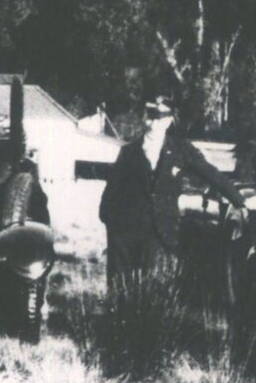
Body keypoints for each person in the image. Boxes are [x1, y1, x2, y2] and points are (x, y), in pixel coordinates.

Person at [99, 97, 245, 294]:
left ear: (169, 121)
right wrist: (110, 222)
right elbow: (112, 190)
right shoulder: (129, 152)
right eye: (150, 116)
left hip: (161, 232)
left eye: (160, 117)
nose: (154, 122)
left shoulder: (181, 150)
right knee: (121, 289)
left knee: (154, 289)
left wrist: (240, 200)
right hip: (126, 231)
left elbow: (212, 174)